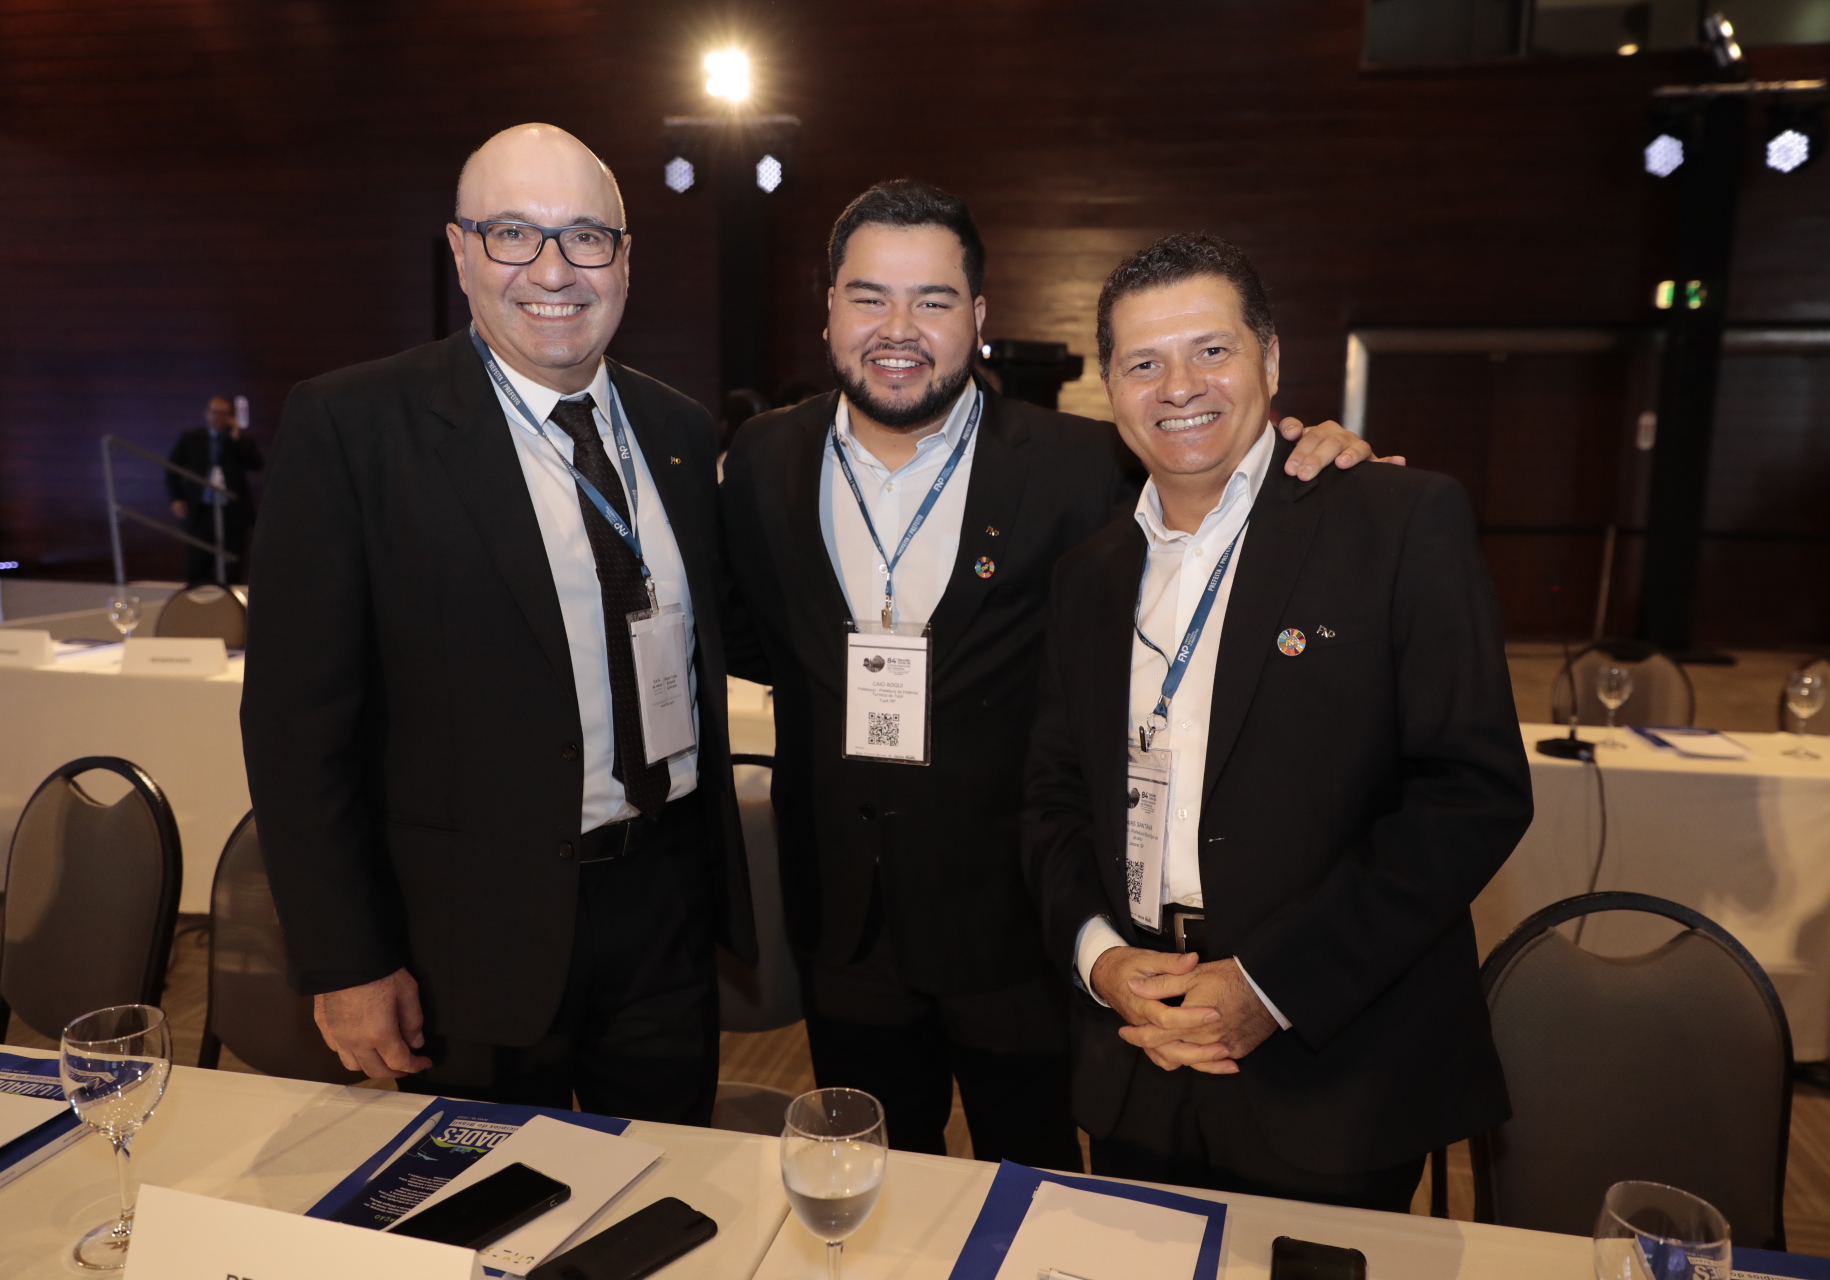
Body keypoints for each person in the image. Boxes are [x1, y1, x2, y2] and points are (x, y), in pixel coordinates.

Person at [721, 182, 1383, 1167]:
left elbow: (1217, 498)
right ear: (828, 311)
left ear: (979, 316)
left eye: (933, 299)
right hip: (844, 923)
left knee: (1035, 1186)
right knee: (871, 1179)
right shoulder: (763, 457)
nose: (899, 329)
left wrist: (1315, 455)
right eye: (869, 297)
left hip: (1022, 927)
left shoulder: (1085, 466)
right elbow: (751, 640)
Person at [240, 124, 754, 1123]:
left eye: (586, 237)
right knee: (477, 1200)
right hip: (464, 940)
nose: (554, 271)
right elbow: (296, 730)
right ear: (461, 249)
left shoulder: (680, 432)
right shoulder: (353, 428)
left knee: (665, 1187)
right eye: (514, 233)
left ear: (625, 259)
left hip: (664, 911)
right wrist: (347, 959)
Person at [1023, 233, 1532, 1207]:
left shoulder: (1396, 520)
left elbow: (1472, 795)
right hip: (1138, 1047)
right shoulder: (1087, 576)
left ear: (1271, 359)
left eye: (1211, 350)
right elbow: (1050, 798)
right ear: (1111, 388)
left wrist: (1269, 984)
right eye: (1144, 363)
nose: (1180, 386)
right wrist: (1102, 959)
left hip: (1335, 1064)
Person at [167, 395, 263, 583]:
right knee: (198, 564)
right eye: (214, 412)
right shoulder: (191, 438)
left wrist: (236, 437)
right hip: (202, 509)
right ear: (207, 413)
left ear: (230, 417)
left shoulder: (240, 440)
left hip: (232, 511)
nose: (218, 417)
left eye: (223, 413)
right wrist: (176, 498)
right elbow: (172, 469)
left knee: (232, 565)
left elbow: (255, 464)